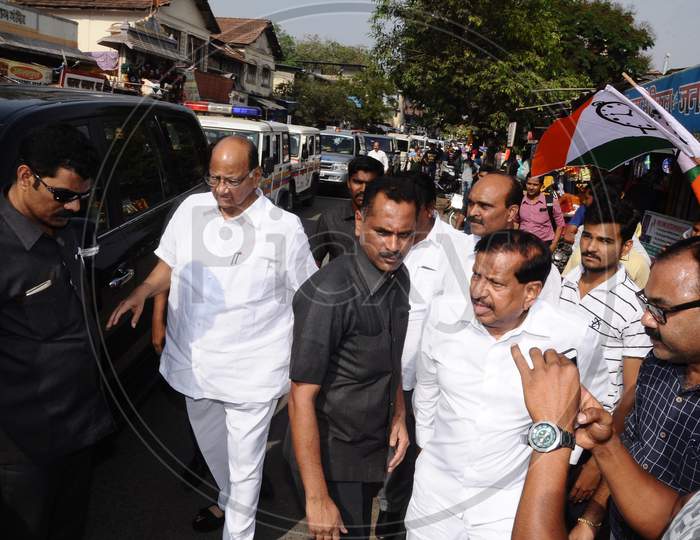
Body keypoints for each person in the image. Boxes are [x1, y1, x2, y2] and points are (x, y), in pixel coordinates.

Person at [107, 136, 317, 540]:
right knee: (214, 451)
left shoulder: (283, 229)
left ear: (257, 177)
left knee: (245, 467)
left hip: (252, 372)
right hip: (194, 362)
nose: (221, 190)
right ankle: (226, 499)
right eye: (214, 178)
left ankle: (237, 530)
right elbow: (168, 262)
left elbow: (306, 297)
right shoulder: (192, 209)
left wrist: (307, 367)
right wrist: (144, 291)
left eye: (233, 180)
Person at [405, 230, 604, 540]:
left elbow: (590, 409)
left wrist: (559, 465)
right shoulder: (444, 314)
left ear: (531, 292)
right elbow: (426, 388)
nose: (479, 292)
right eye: (476, 276)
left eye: (496, 284)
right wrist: (428, 449)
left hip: (508, 507)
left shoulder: (570, 336)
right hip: (434, 498)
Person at [0, 124, 114, 539]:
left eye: (83, 196)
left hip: (80, 431)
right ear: (26, 176)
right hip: (23, 450)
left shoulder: (70, 232)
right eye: (64, 195)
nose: (74, 208)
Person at [287, 177, 416, 540]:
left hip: (371, 447)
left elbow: (391, 359)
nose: (394, 246)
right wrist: (317, 497)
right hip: (333, 458)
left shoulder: (398, 276)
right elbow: (299, 397)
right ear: (359, 222)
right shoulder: (327, 294)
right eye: (383, 232)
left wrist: (399, 415)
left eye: (404, 235)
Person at [572, 236, 700, 540]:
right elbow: (632, 446)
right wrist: (592, 517)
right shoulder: (656, 363)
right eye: (647, 303)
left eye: (661, 309)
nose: (646, 320)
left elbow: (675, 520)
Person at [510, 346, 700, 540]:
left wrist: (553, 433)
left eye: (663, 313)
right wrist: (605, 446)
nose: (646, 320)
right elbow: (673, 516)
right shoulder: (656, 362)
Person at [375, 173, 472, 539]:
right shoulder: (385, 238)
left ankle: (393, 523)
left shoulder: (459, 251)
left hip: (422, 383)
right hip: (377, 375)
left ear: (429, 211)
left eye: (408, 217)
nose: (396, 230)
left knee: (411, 461)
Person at [558, 198, 652, 517]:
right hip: (546, 423)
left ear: (625, 248)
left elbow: (632, 393)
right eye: (588, 236)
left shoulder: (633, 309)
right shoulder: (565, 283)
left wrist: (598, 463)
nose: (592, 247)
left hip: (586, 441)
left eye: (605, 241)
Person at [456, 172, 563, 304]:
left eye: (484, 206)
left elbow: (544, 319)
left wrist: (553, 244)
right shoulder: (454, 248)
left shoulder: (538, 269)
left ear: (511, 212)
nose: (472, 213)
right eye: (471, 204)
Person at [311, 155, 384, 265]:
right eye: (358, 182)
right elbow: (314, 263)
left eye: (370, 184)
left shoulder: (391, 221)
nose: (364, 189)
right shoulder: (330, 218)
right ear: (348, 182)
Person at [519, 174, 565, 249]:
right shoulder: (519, 201)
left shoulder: (551, 201)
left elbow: (560, 224)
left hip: (544, 245)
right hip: (523, 245)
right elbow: (516, 222)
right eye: (529, 184)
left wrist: (554, 245)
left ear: (541, 185)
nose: (531, 187)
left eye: (535, 185)